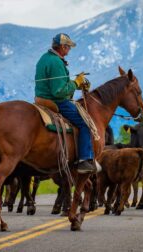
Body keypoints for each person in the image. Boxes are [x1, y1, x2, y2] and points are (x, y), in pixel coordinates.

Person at [34, 33, 95, 174]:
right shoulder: (56, 62)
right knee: (85, 123)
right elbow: (59, 92)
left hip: (41, 99)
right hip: (55, 101)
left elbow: (57, 84)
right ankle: (84, 160)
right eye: (68, 47)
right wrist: (76, 82)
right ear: (62, 47)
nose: (69, 50)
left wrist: (76, 84)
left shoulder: (44, 58)